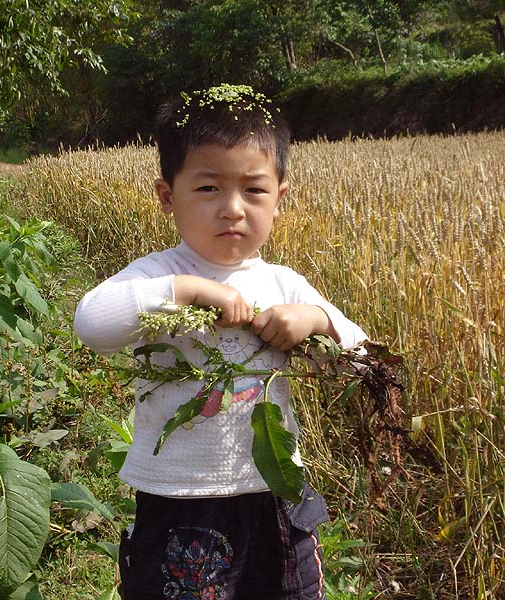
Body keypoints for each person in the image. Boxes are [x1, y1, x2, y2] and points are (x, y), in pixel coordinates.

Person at [73, 84, 367, 600]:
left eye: (253, 190)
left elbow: (362, 357)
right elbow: (92, 323)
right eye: (208, 189)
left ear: (280, 199)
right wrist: (185, 291)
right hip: (181, 498)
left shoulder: (285, 285)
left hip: (276, 495)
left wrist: (315, 320)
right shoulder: (160, 275)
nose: (232, 209)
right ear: (168, 197)